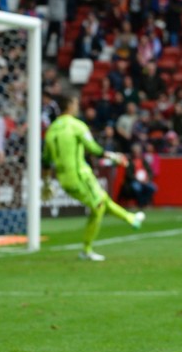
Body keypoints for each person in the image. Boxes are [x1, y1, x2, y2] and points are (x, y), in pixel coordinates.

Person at [42, 94, 144, 261]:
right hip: (79, 175)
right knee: (98, 205)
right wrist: (112, 156)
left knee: (102, 198)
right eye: (75, 103)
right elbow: (93, 148)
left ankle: (131, 219)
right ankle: (86, 249)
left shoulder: (51, 130)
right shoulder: (77, 126)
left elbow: (45, 161)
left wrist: (46, 183)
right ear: (70, 105)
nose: (77, 106)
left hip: (64, 178)